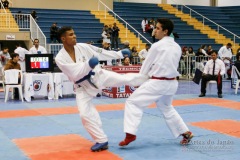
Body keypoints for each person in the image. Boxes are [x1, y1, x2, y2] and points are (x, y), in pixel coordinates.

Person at [55, 26, 148, 152]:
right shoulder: (60, 58)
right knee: (84, 114)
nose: (75, 36)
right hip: (82, 86)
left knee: (124, 79)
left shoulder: (83, 47)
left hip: (98, 76)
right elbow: (74, 73)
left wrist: (119, 54)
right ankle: (101, 140)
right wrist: (88, 65)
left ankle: (150, 77)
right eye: (71, 35)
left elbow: (100, 52)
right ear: (63, 38)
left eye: (74, 33)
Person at [118, 18, 193, 147]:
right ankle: (185, 132)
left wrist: (138, 81)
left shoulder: (157, 46)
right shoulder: (177, 46)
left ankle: (130, 133)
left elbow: (145, 67)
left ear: (165, 31)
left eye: (158, 28)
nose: (154, 30)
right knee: (166, 107)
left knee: (132, 102)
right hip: (172, 84)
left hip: (158, 83)